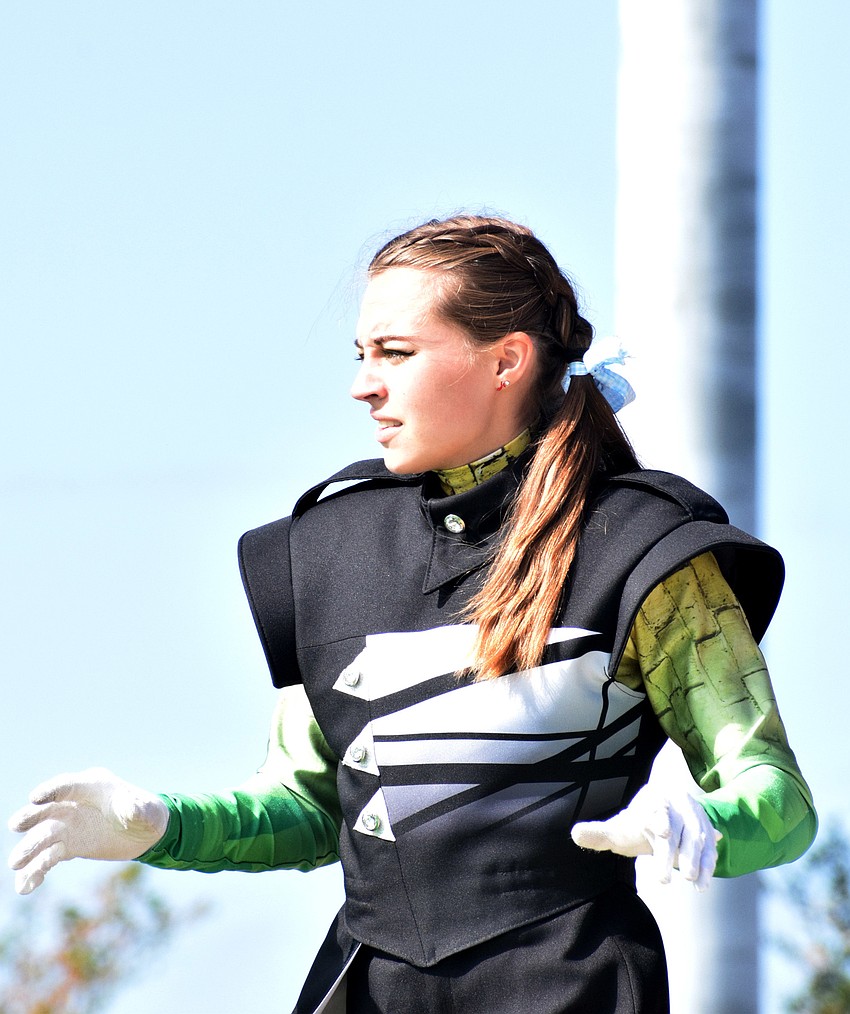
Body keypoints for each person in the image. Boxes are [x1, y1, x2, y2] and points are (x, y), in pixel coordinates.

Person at [9, 216, 816, 1013]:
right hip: (363, 990)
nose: (364, 384)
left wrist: (704, 818)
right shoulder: (325, 548)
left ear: (507, 360)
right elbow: (313, 807)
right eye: (361, 356)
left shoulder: (649, 549)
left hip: (578, 988)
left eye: (395, 353)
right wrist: (161, 826)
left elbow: (778, 801)